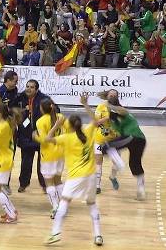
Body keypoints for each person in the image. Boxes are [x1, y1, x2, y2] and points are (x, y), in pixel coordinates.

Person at [45, 95, 103, 246]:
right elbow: (96, 121)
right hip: (91, 176)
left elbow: (47, 139)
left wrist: (56, 125)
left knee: (64, 201)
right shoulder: (87, 130)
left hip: (76, 176)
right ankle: (98, 235)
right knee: (91, 203)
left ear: (69, 126)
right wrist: (85, 104)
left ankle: (55, 233)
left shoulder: (66, 137)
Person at [101, 94, 147, 201]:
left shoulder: (122, 112)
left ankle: (120, 165)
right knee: (135, 164)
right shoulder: (113, 117)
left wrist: (109, 105)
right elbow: (118, 134)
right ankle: (141, 190)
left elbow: (123, 111)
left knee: (106, 146)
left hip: (133, 137)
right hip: (140, 140)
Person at [34, 99, 66, 218]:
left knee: (49, 183)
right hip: (60, 153)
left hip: (48, 155)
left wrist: (36, 137)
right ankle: (63, 206)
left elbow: (44, 139)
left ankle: (56, 207)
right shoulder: (61, 117)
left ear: (42, 109)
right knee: (58, 180)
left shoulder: (40, 121)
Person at [15, 80, 47, 193]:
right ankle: (23, 184)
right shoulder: (20, 98)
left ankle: (44, 185)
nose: (28, 89)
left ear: (37, 89)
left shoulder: (44, 99)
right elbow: (11, 109)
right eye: (27, 86)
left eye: (32, 87)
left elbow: (56, 110)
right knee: (25, 163)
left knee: (42, 164)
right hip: (26, 136)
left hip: (40, 136)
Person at [93, 90, 119, 194]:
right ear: (107, 96)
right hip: (100, 138)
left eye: (114, 95)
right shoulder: (101, 107)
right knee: (98, 162)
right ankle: (97, 186)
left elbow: (121, 125)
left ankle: (112, 177)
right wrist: (106, 119)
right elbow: (95, 123)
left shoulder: (119, 109)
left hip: (114, 140)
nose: (112, 96)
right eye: (110, 95)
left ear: (117, 97)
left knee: (117, 163)